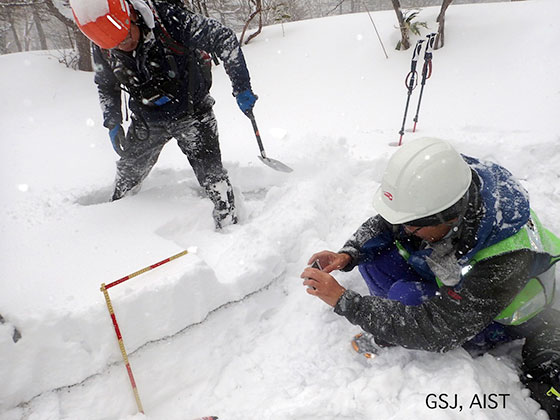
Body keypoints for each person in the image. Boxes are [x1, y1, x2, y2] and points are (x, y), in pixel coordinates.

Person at [301, 138, 560, 419]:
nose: (404, 229)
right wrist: (348, 254)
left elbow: (439, 330)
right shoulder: (448, 192)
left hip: (499, 318)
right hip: (459, 276)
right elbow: (388, 223)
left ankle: (396, 324)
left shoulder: (505, 259)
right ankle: (395, 322)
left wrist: (345, 302)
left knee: (408, 299)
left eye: (412, 224)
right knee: (374, 258)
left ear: (449, 217)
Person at [70, 0, 258, 229]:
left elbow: (224, 38)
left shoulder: (169, 19)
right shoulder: (103, 43)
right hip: (146, 119)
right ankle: (118, 226)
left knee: (213, 178)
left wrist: (242, 87)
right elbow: (105, 83)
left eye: (128, 37)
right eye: (117, 45)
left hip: (192, 113)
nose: (125, 46)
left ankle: (231, 230)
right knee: (127, 176)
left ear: (133, 17)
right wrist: (112, 121)